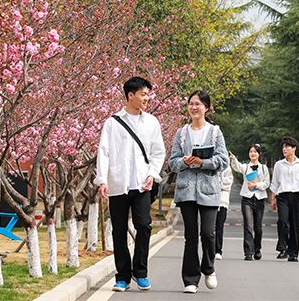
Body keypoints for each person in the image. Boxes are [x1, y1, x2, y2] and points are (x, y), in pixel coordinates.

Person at [96, 77, 166, 292]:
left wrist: (152, 174)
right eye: (143, 94)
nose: (147, 98)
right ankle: (123, 277)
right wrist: (102, 180)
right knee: (118, 230)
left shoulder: (152, 122)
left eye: (148, 94)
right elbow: (104, 152)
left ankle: (141, 272)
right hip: (118, 184)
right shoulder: (113, 123)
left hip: (142, 184)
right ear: (130, 95)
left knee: (144, 226)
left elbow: (158, 151)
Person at [168, 91, 228, 294]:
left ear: (207, 108)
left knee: (208, 234)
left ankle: (209, 268)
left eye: (198, 104)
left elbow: (223, 160)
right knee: (191, 236)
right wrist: (184, 161)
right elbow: (172, 162)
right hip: (186, 191)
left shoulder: (215, 132)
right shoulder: (181, 133)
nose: (194, 107)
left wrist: (203, 162)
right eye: (191, 104)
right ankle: (190, 279)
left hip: (209, 190)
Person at [269, 136, 299, 262]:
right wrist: (273, 199)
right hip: (282, 196)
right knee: (283, 221)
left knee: (294, 225)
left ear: (294, 149)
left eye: (287, 146)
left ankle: (293, 253)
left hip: (296, 196)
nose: (284, 149)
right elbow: (274, 183)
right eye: (283, 147)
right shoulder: (279, 165)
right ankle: (283, 247)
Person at [229, 144, 269, 261]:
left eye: (255, 152)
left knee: (258, 227)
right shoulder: (246, 167)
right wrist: (233, 159)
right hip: (247, 199)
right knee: (248, 225)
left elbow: (267, 183)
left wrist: (256, 185)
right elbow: (237, 167)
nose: (253, 154)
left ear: (259, 154)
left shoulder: (263, 168)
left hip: (260, 199)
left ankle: (257, 249)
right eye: (251, 152)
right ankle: (248, 252)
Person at [214, 152, 235, 260]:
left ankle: (218, 250)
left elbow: (228, 182)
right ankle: (209, 249)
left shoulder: (227, 168)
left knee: (219, 225)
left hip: (222, 200)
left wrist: (216, 184)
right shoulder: (211, 165)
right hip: (210, 200)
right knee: (209, 227)